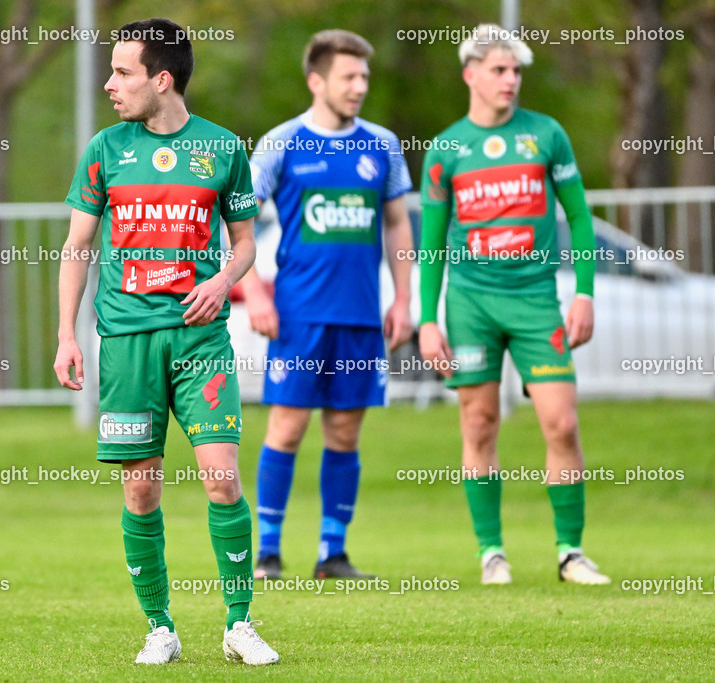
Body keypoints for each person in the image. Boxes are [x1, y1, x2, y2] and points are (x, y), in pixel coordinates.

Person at [54, 18, 279, 665]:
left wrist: (222, 280)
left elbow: (244, 243)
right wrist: (66, 334)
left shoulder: (221, 149)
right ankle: (160, 626)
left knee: (222, 476)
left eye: (122, 72)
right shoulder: (104, 149)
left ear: (161, 78)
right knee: (141, 488)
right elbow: (76, 246)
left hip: (200, 341)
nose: (108, 84)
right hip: (125, 340)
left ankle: (240, 623)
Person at [418, 24, 610, 585]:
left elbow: (578, 217)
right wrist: (428, 320)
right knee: (479, 424)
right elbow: (429, 247)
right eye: (500, 69)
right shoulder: (446, 148)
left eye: (517, 71)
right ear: (470, 74)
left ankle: (571, 552)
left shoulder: (546, 135)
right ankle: (491, 552)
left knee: (563, 423)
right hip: (471, 304)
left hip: (536, 303)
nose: (511, 80)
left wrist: (585, 293)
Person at [241, 30, 414, 581]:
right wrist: (256, 291)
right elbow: (235, 220)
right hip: (297, 316)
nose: (359, 86)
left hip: (362, 316)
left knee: (345, 433)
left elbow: (396, 224)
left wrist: (404, 298)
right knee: (286, 429)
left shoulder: (382, 145)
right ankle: (267, 552)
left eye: (364, 76)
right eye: (349, 76)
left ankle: (332, 554)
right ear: (317, 81)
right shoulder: (282, 143)